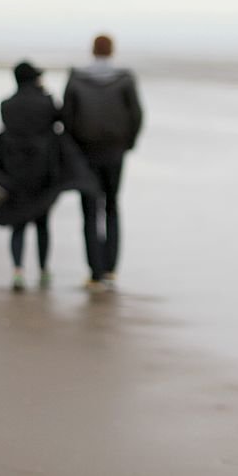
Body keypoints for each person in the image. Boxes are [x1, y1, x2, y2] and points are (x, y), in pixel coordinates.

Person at [62, 34, 144, 292]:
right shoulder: (125, 80)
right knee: (111, 207)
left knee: (89, 211)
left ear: (92, 50)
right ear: (112, 51)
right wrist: (126, 144)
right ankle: (110, 271)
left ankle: (95, 273)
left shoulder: (76, 78)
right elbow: (137, 116)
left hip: (85, 155)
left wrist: (74, 148)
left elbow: (66, 117)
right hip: (114, 153)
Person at [0, 61, 61, 292]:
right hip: (42, 170)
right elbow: (57, 124)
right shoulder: (46, 102)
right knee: (42, 222)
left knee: (18, 223)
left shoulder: (6, 105)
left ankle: (18, 270)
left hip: (15, 169)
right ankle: (44, 269)